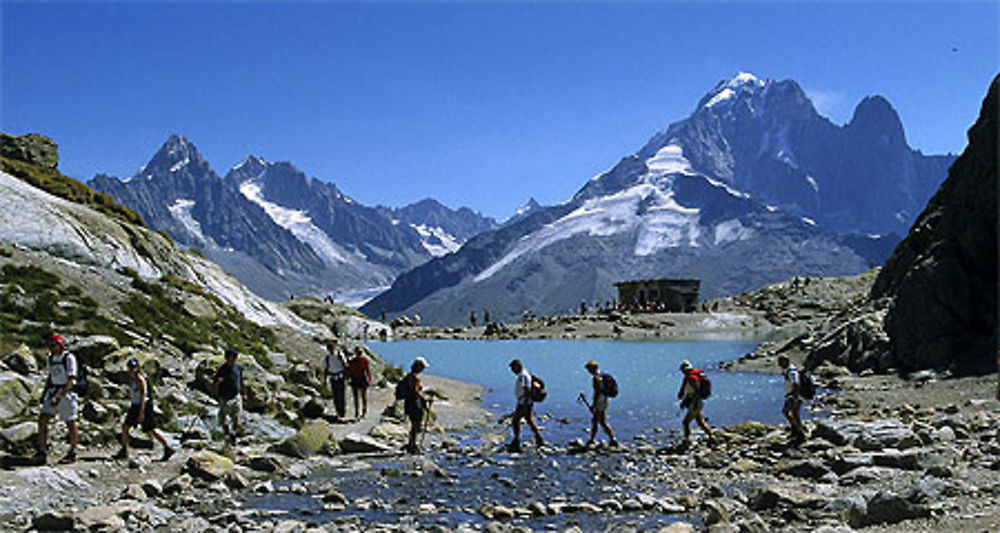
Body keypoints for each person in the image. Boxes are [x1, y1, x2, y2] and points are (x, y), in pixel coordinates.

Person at [113, 358, 175, 461]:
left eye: (133, 367)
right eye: (130, 367)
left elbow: (143, 396)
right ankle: (124, 449)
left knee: (150, 430)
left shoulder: (140, 379)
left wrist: (141, 412)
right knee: (126, 426)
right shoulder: (132, 378)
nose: (132, 369)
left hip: (143, 406)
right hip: (135, 405)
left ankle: (167, 447)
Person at [36, 333, 79, 464]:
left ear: (60, 344)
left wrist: (59, 396)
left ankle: (73, 451)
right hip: (53, 390)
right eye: (49, 345)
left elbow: (72, 381)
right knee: (43, 419)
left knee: (70, 422)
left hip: (66, 393)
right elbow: (50, 377)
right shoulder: (50, 358)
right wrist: (45, 394)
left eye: (53, 345)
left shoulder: (69, 358)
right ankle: (42, 451)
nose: (51, 348)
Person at [507, 359, 544, 452]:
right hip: (525, 401)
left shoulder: (523, 376)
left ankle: (516, 442)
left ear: (516, 366)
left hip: (524, 402)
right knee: (529, 420)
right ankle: (539, 439)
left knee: (515, 421)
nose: (512, 371)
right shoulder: (524, 374)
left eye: (512, 368)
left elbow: (527, 390)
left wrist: (524, 404)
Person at [677, 360, 714, 446]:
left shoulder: (691, 378)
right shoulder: (691, 377)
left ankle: (687, 440)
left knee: (685, 422)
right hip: (697, 402)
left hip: (696, 403)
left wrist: (693, 403)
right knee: (700, 422)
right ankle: (711, 436)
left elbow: (697, 391)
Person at [213, 348, 245, 445]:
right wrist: (218, 382)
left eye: (236, 356)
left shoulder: (238, 367)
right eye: (233, 356)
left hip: (236, 396)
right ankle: (226, 434)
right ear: (228, 358)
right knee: (224, 419)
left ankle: (233, 434)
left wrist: (244, 393)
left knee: (237, 418)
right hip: (225, 397)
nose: (235, 358)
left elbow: (242, 381)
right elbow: (214, 383)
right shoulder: (222, 369)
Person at [584, 360, 617, 447]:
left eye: (588, 369)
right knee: (595, 420)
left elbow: (597, 392)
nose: (588, 371)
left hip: (600, 401)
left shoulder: (596, 378)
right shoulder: (601, 375)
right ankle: (592, 439)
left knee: (601, 421)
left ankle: (612, 438)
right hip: (605, 399)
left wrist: (593, 404)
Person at [402, 357, 430, 454]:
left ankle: (412, 444)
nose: (423, 369)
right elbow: (415, 391)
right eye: (422, 367)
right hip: (414, 403)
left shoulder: (411, 376)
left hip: (411, 402)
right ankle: (412, 445)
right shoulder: (413, 377)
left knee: (415, 424)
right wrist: (424, 398)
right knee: (415, 424)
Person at [778, 355, 808, 441]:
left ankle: (800, 433)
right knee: (790, 413)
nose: (779, 364)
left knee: (791, 413)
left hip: (794, 396)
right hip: (792, 395)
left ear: (786, 361)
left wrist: (795, 397)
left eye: (780, 362)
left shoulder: (792, 372)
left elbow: (796, 384)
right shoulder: (788, 370)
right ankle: (795, 429)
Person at [323, 340, 348, 419]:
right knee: (336, 396)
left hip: (340, 377)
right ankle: (338, 412)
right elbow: (326, 369)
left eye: (331, 347)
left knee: (341, 395)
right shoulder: (327, 358)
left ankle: (342, 411)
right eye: (329, 348)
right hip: (333, 378)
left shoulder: (339, 355)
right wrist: (325, 379)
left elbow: (345, 364)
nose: (331, 349)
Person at [348, 346, 373, 419]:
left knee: (363, 396)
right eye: (358, 353)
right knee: (355, 397)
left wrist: (369, 379)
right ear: (355, 353)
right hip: (355, 379)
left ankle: (364, 410)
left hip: (362, 379)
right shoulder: (352, 361)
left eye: (360, 353)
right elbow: (349, 370)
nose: (359, 354)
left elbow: (368, 370)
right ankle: (357, 412)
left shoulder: (364, 360)